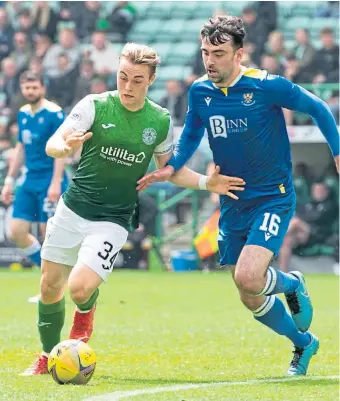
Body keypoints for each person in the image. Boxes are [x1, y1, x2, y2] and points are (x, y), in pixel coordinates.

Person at [21, 42, 245, 376]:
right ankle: (45, 356)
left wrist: (206, 183)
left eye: (137, 80)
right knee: (49, 287)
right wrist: (62, 146)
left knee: (79, 287)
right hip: (73, 208)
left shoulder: (159, 119)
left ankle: (82, 329)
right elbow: (55, 141)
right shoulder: (94, 105)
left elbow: (171, 168)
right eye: (123, 76)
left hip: (114, 218)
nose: (128, 85)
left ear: (151, 79)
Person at [138, 16, 340, 376]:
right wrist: (172, 168)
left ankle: (293, 283)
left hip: (272, 197)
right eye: (205, 52)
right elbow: (191, 136)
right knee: (247, 292)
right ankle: (304, 344)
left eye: (218, 53)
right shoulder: (200, 91)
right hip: (232, 201)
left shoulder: (266, 86)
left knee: (249, 276)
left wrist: (338, 153)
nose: (210, 60)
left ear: (239, 53)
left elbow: (319, 109)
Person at [1, 71, 67, 275]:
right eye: (27, 88)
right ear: (22, 89)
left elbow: (61, 151)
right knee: (16, 231)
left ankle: (56, 280)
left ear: (42, 88)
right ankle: (49, 273)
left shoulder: (54, 113)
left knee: (49, 235)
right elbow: (21, 148)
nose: (30, 91)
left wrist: (56, 183)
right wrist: (9, 181)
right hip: (30, 180)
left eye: (34, 87)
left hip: (50, 179)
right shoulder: (22, 114)